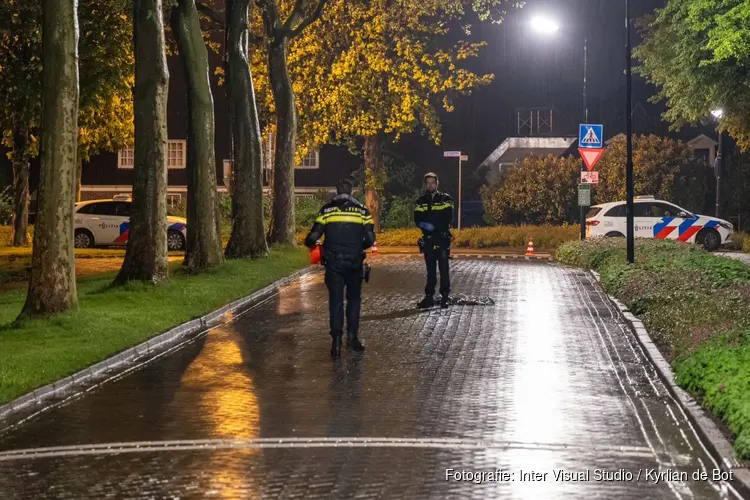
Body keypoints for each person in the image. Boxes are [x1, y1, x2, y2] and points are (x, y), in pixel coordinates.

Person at [305, 179, 376, 356]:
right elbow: (370, 239)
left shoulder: (326, 210)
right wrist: (357, 247)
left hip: (334, 264)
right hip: (354, 263)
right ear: (352, 192)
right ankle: (352, 339)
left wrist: (313, 244)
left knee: (335, 302)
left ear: (336, 191)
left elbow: (313, 237)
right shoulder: (362, 211)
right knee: (353, 301)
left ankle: (335, 343)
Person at [414, 172, 453, 309]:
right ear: (426, 184)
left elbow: (447, 218)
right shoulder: (420, 200)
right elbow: (417, 219)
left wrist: (433, 226)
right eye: (428, 183)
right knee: (430, 270)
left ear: (437, 184)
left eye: (433, 182)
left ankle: (445, 297)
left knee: (444, 269)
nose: (430, 185)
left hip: (442, 238)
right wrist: (425, 226)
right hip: (429, 240)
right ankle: (429, 296)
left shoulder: (445, 199)